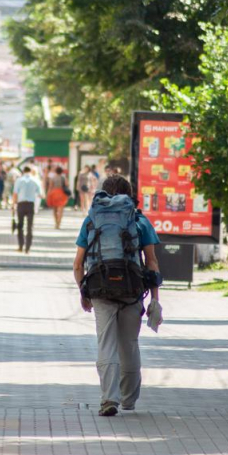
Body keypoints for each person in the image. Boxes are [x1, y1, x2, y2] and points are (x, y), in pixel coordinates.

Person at [73, 174, 162, 417]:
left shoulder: (92, 219)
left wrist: (84, 292)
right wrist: (155, 299)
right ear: (128, 193)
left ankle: (108, 399)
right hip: (132, 291)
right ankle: (129, 400)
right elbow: (152, 262)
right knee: (129, 344)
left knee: (106, 344)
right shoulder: (139, 220)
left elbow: (78, 264)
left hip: (100, 290)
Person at [12, 166, 44, 254]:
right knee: (30, 227)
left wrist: (13, 205)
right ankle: (28, 248)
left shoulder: (19, 180)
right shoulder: (35, 180)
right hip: (30, 205)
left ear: (23, 171)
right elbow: (40, 194)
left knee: (20, 225)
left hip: (21, 204)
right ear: (30, 171)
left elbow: (15, 194)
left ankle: (21, 245)